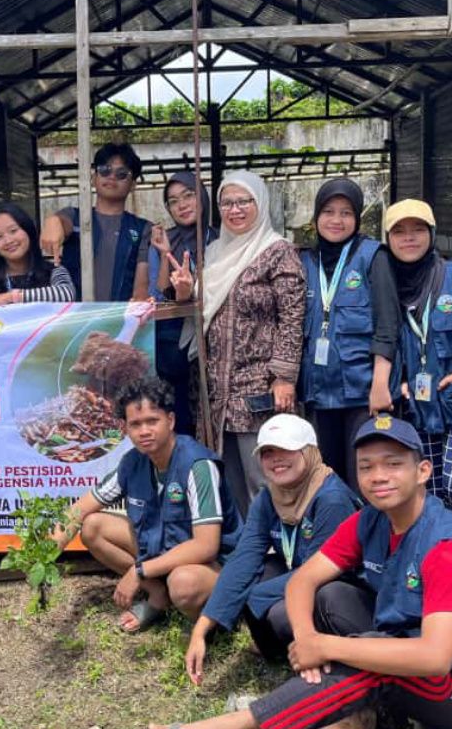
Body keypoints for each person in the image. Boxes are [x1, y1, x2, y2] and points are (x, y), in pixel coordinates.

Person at [149, 415, 452, 729]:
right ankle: (342, 713)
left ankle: (234, 727)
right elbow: (304, 580)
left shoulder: (448, 547)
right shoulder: (370, 520)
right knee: (341, 609)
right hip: (403, 640)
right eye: (366, 467)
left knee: (372, 662)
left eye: (393, 464)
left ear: (423, 472)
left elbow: (435, 658)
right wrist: (307, 640)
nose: (379, 476)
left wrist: (327, 647)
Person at [184, 414, 363, 684]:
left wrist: (254, 596)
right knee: (250, 575)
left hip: (342, 590)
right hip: (299, 575)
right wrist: (201, 629)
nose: (276, 459)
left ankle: (324, 659)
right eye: (268, 452)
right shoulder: (270, 496)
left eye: (287, 449)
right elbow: (243, 559)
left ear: (310, 452)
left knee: (278, 611)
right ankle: (281, 653)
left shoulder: (331, 499)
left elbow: (321, 573)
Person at [56, 377, 243, 633]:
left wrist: (139, 571)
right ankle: (158, 598)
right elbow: (81, 509)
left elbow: (206, 546)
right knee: (92, 526)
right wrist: (49, 548)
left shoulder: (198, 466)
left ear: (171, 421)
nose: (144, 431)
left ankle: (211, 622)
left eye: (152, 421)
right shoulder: (132, 462)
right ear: (125, 429)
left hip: (213, 565)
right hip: (165, 552)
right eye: (135, 424)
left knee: (183, 583)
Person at [172, 170, 304, 518]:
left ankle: (275, 551)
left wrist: (284, 377)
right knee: (224, 477)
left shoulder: (278, 252)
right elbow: (203, 311)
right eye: (226, 202)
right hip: (215, 389)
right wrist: (186, 292)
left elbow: (291, 318)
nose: (235, 209)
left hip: (258, 387)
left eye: (243, 200)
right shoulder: (214, 252)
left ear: (259, 202)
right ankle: (240, 551)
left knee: (263, 475)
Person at [384, 199, 452, 525]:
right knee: (432, 490)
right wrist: (398, 381)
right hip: (420, 407)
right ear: (388, 239)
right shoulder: (388, 286)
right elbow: (387, 340)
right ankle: (445, 552)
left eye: (417, 230)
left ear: (432, 234)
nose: (409, 238)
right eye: (399, 232)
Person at [299, 178, 400, 491]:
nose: (336, 220)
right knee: (327, 479)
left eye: (346, 213)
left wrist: (380, 384)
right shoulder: (304, 260)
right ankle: (338, 540)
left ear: (357, 218)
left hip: (362, 392)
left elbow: (387, 323)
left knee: (366, 477)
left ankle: (371, 539)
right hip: (318, 391)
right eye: (328, 211)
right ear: (316, 218)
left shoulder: (373, 256)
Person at [148, 172, 218, 435]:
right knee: (180, 420)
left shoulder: (221, 239)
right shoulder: (162, 241)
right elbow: (158, 296)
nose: (182, 205)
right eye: (174, 201)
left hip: (213, 342)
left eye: (189, 195)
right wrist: (165, 253)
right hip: (172, 350)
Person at [39, 142, 153, 301]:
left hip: (119, 320)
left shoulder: (143, 229)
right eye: (105, 171)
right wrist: (53, 221)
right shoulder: (73, 216)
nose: (112, 176)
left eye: (121, 174)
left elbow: (142, 287)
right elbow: (61, 223)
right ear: (93, 178)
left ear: (133, 184)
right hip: (74, 320)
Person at [0, 202, 76, 304]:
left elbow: (66, 294)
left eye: (13, 231)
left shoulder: (53, 271)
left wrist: (8, 297)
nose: (8, 241)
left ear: (27, 230)